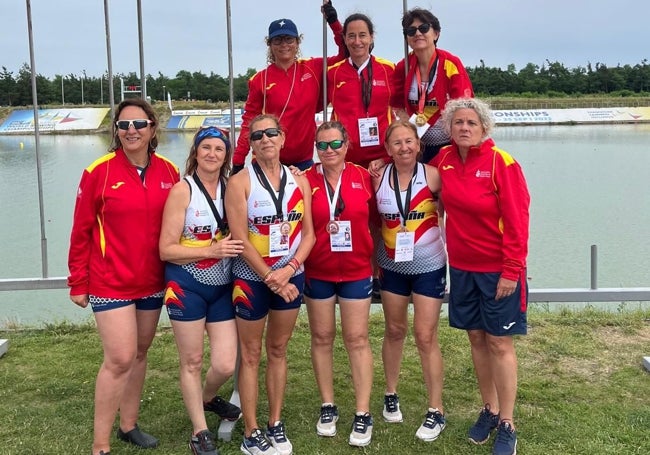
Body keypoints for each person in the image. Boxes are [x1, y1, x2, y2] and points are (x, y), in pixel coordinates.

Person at [67, 98, 180, 455]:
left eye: (138, 124)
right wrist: (77, 281)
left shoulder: (170, 172)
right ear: (116, 131)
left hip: (152, 281)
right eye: (123, 125)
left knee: (140, 353)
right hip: (110, 282)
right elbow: (80, 231)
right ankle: (100, 444)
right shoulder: (98, 171)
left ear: (152, 128)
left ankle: (128, 425)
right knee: (119, 358)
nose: (131, 131)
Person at [431, 97, 530, 455]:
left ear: (484, 128)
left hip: (497, 271)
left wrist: (512, 270)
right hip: (462, 269)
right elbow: (409, 168)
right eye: (458, 123)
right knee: (476, 338)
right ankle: (488, 409)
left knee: (499, 343)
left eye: (471, 123)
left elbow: (519, 222)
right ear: (449, 128)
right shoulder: (442, 161)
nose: (464, 128)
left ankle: (507, 421)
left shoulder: (500, 163)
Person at [225, 114, 315, 455]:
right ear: (251, 143)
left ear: (283, 138)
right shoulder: (241, 183)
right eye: (257, 135)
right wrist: (269, 277)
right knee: (250, 355)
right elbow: (240, 239)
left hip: (290, 276)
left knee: (278, 350)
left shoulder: (298, 180)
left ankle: (275, 423)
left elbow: (309, 234)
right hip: (252, 279)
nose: (265, 140)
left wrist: (289, 269)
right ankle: (251, 431)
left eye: (271, 133)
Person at [159, 127, 244, 455]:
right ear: (195, 153)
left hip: (222, 286)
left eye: (219, 149)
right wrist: (210, 252)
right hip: (186, 284)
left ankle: (207, 398)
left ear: (226, 156)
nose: (212, 153)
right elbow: (166, 249)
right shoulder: (183, 190)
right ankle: (199, 432)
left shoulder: (232, 187)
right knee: (192, 360)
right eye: (205, 147)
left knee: (224, 364)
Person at [372, 120, 448, 442]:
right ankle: (391, 394)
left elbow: (450, 211)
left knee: (425, 335)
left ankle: (436, 409)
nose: (403, 148)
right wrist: (375, 257)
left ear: (418, 145)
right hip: (392, 266)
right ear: (387, 149)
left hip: (430, 264)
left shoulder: (432, 175)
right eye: (396, 143)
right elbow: (373, 221)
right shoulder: (377, 177)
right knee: (394, 330)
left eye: (409, 142)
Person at [303, 121, 376, 446]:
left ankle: (363, 413)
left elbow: (378, 219)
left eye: (335, 145)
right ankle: (328, 405)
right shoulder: (305, 180)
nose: (328, 151)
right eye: (322, 146)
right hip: (317, 271)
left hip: (357, 270)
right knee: (321, 337)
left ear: (346, 145)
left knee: (357, 339)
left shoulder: (364, 176)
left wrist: (378, 262)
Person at [232, 1, 346, 173]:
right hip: (268, 160)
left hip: (304, 163)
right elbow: (249, 123)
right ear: (269, 44)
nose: (284, 44)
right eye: (277, 40)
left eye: (289, 39)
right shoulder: (259, 80)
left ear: (297, 42)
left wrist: (333, 21)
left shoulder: (313, 68)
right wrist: (238, 161)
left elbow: (345, 53)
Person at [389, 8, 473, 164]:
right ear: (407, 37)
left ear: (436, 33)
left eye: (424, 28)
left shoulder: (451, 64)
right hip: (418, 147)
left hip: (449, 144)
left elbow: (465, 109)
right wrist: (412, 129)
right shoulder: (403, 67)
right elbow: (396, 105)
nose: (418, 33)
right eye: (411, 30)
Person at [326, 13, 394, 168]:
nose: (357, 42)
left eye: (362, 35)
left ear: (371, 37)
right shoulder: (332, 72)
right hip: (345, 158)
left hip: (382, 157)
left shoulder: (389, 69)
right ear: (344, 39)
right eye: (351, 36)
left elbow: (403, 109)